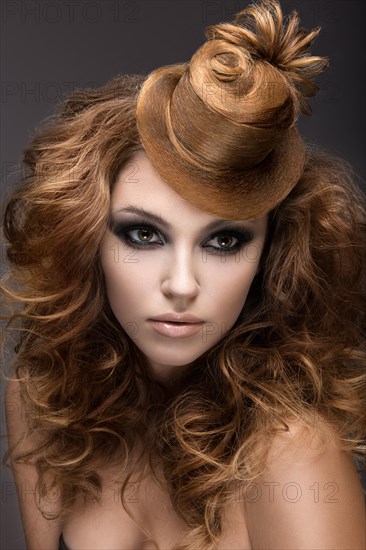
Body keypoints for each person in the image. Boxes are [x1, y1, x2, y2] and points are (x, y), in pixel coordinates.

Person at [2, 0, 365, 548]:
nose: (182, 284)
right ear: (87, 239)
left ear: (270, 254)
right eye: (144, 235)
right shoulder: (44, 397)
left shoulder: (292, 454)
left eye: (224, 241)